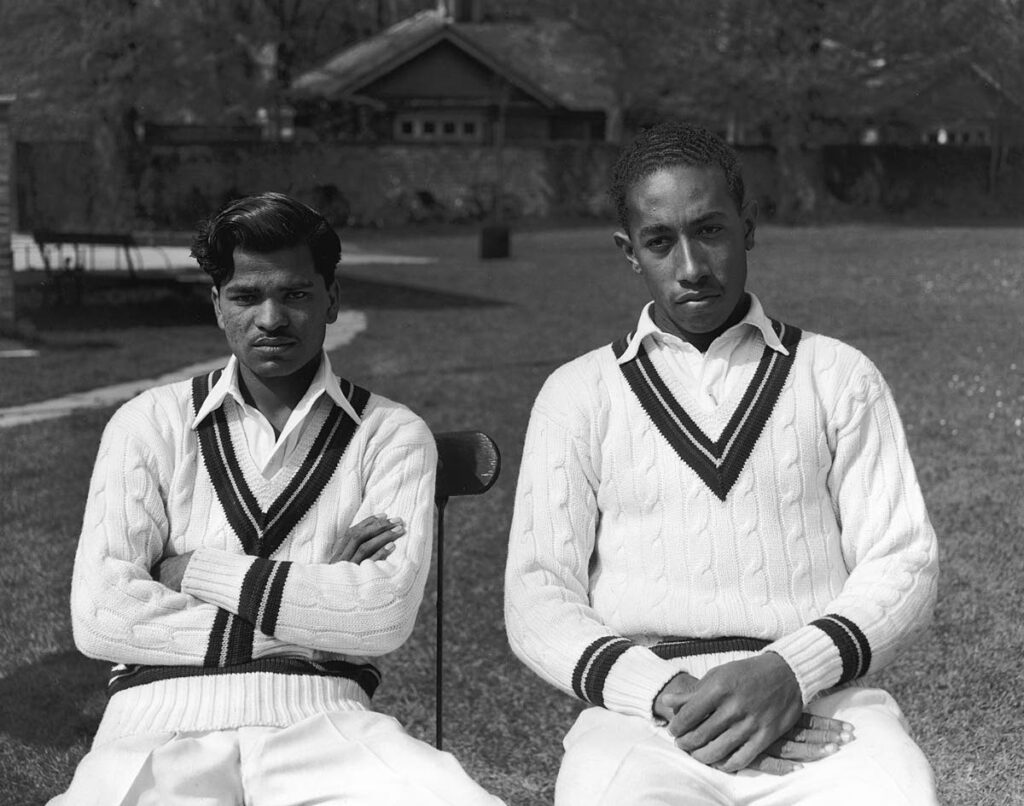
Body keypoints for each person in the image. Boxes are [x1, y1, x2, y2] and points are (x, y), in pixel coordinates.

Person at [504, 123, 939, 805]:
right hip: (645, 720)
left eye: (710, 230)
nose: (691, 266)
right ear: (629, 251)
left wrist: (789, 672)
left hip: (822, 705)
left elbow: (903, 560)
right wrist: (670, 694)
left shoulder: (837, 375)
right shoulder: (578, 394)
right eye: (659, 241)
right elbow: (536, 596)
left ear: (749, 227)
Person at [52, 192, 503, 806]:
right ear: (217, 305)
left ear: (332, 300)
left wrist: (191, 570)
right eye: (245, 296)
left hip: (328, 723)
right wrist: (314, 601)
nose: (271, 318)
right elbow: (102, 616)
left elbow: (380, 619)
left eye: (294, 294)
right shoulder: (148, 422)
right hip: (158, 722)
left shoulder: (390, 433)